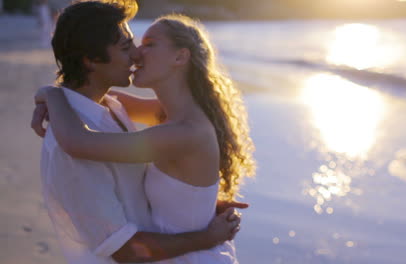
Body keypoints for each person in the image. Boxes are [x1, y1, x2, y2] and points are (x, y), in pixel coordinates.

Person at [30, 1, 246, 263]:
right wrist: (51, 94)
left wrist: (198, 209)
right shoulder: (78, 132)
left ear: (180, 57)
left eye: (147, 44)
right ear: (91, 60)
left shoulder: (125, 113)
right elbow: (125, 250)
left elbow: (82, 137)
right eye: (126, 46)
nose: (136, 54)